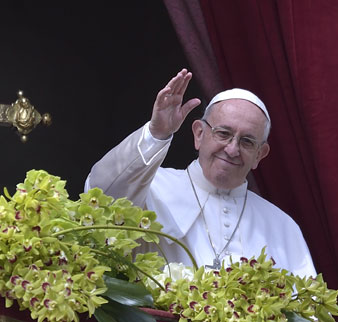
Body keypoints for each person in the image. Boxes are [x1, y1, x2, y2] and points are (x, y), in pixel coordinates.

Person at [85, 69, 316, 277]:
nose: (232, 149)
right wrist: (156, 133)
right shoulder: (151, 188)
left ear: (260, 155)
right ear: (198, 134)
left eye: (247, 142)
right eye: (223, 133)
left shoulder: (282, 227)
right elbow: (100, 196)